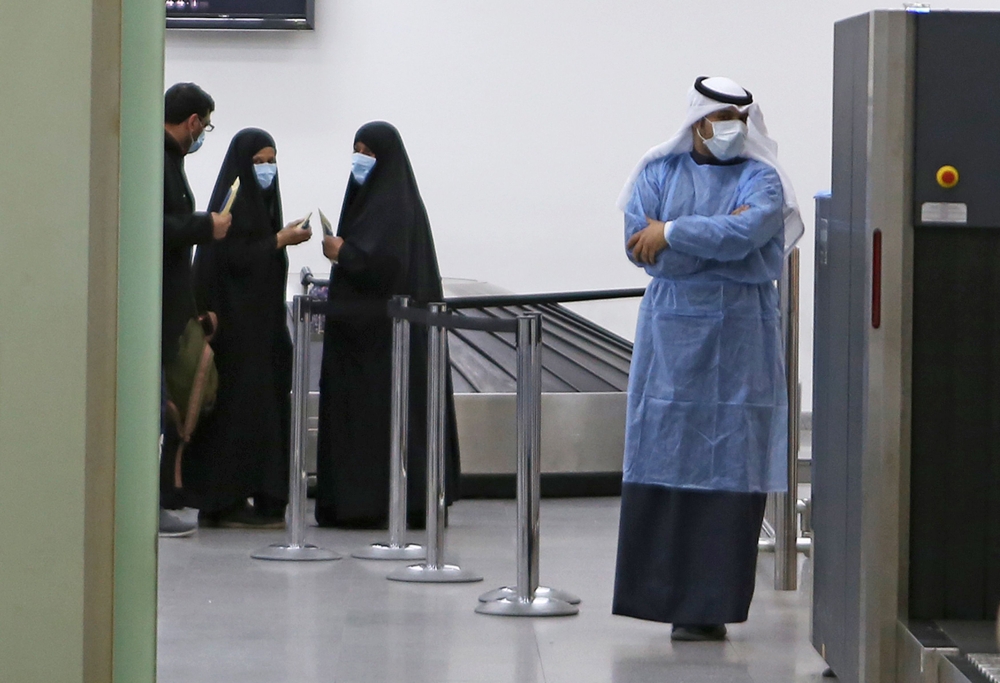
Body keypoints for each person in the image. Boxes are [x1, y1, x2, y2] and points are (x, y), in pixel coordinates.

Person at [612, 76, 804, 641]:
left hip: (742, 340)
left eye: (741, 120)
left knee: (731, 460)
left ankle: (711, 605)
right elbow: (643, 251)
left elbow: (746, 234)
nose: (733, 130)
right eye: (723, 120)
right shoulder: (656, 172)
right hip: (670, 342)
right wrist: (709, 242)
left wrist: (671, 231)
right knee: (664, 452)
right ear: (698, 121)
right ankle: (663, 599)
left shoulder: (762, 178)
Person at [315, 121, 459, 528]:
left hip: (386, 342)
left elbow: (385, 265)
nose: (360, 160)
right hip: (368, 338)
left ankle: (383, 502)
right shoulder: (374, 201)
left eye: (369, 153)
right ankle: (362, 502)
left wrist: (344, 254)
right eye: (357, 151)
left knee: (388, 417)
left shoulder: (395, 205)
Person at [185, 129, 313, 528]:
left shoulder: (262, 207)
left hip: (261, 332)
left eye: (271, 161)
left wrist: (278, 238)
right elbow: (233, 260)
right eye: (258, 162)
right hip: (234, 335)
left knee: (261, 413)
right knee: (235, 416)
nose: (266, 169)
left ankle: (261, 495)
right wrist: (278, 240)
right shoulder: (231, 204)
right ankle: (225, 500)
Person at [159, 82, 231, 537]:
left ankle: (162, 498)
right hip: (157, 308)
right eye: (204, 125)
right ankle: (152, 504)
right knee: (158, 407)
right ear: (192, 122)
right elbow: (155, 226)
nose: (202, 133)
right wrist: (207, 226)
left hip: (170, 306)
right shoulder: (158, 160)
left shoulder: (168, 159)